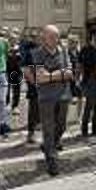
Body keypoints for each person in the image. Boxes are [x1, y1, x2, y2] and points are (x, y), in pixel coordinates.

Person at [25, 25, 73, 176]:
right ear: (43, 38)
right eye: (51, 36)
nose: (54, 39)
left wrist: (51, 75)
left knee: (62, 126)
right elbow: (40, 77)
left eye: (56, 36)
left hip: (64, 95)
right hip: (46, 97)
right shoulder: (37, 53)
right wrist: (60, 74)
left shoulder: (64, 51)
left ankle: (48, 145)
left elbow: (70, 73)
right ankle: (51, 159)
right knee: (48, 129)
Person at [21, 28, 41, 144]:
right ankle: (31, 132)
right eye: (34, 37)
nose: (36, 39)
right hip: (34, 84)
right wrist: (34, 82)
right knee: (33, 108)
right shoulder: (30, 53)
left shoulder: (44, 51)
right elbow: (26, 70)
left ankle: (38, 127)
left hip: (45, 83)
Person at [6, 33, 23, 116]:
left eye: (14, 39)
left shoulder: (20, 48)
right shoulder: (6, 48)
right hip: (7, 70)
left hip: (17, 71)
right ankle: (6, 104)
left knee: (17, 89)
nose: (13, 40)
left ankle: (15, 106)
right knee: (6, 89)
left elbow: (23, 59)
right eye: (11, 39)